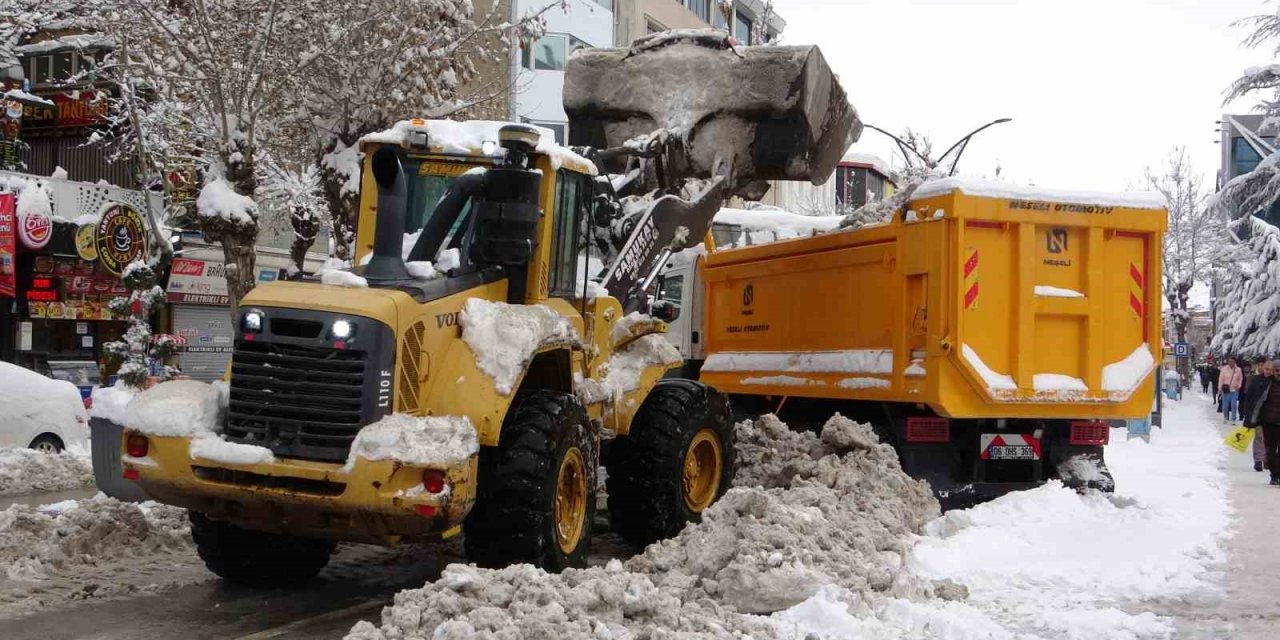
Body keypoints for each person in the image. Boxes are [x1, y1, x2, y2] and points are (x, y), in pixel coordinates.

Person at [1243, 359, 1280, 485]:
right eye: (1276, 370)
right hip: (1268, 422)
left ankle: (1277, 472)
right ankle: (1274, 475)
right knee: (1270, 449)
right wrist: (1250, 418)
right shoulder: (1265, 383)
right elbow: (1253, 401)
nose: (1278, 373)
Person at [1220, 357, 1244, 423]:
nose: (1231, 363)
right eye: (1229, 361)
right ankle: (1225, 417)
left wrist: (1239, 386)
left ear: (1235, 362)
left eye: (1232, 361)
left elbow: (1240, 379)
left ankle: (1233, 418)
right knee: (1225, 405)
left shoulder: (1238, 369)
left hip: (1234, 390)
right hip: (1225, 390)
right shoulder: (1224, 369)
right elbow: (1221, 379)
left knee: (1234, 404)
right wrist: (1219, 388)